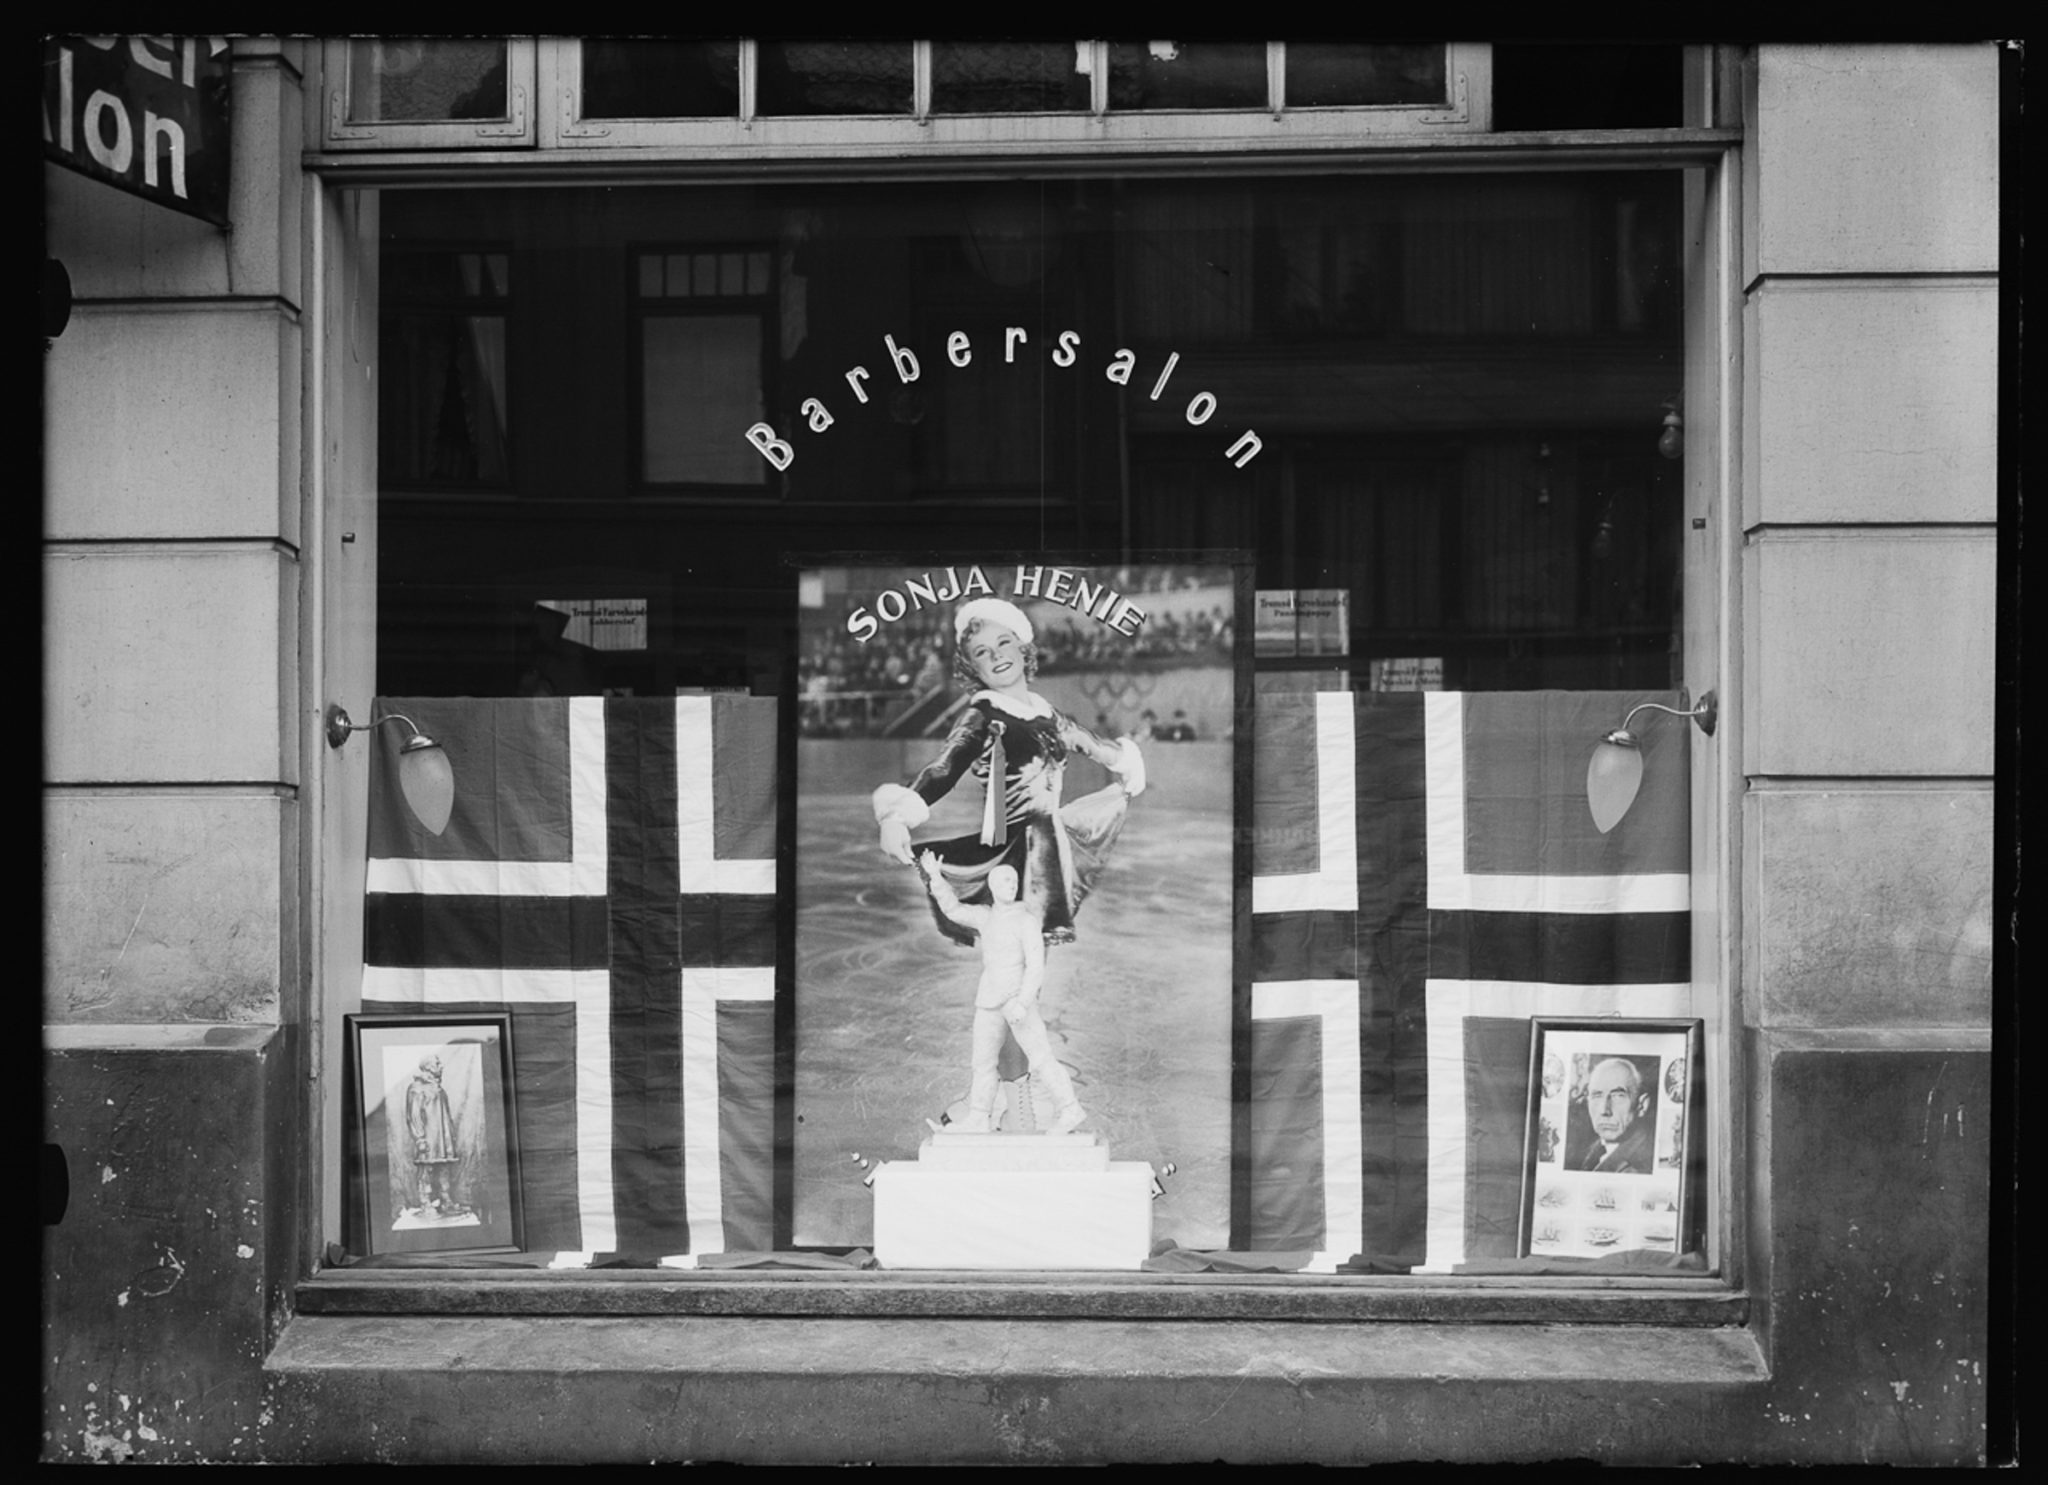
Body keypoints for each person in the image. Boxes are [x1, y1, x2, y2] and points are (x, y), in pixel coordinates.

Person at [873, 596, 1146, 949]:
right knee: (1011, 942)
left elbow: (1090, 743)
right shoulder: (982, 716)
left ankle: (1026, 1004)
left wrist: (1125, 761)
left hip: (1050, 843)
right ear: (972, 668)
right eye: (982, 652)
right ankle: (1007, 1001)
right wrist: (897, 816)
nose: (997, 655)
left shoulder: (1048, 714)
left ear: (1023, 648)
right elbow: (944, 768)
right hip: (1009, 846)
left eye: (1004, 643)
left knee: (1036, 941)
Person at [920, 852, 1086, 1134]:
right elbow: (953, 910)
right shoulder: (986, 917)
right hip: (989, 1001)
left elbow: (1035, 967)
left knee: (1042, 1057)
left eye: (1014, 880)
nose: (1011, 885)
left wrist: (1023, 1003)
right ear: (993, 886)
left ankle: (1071, 1109)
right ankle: (978, 1116)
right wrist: (936, 877)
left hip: (1016, 1002)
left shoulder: (1026, 922)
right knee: (982, 1064)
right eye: (1005, 880)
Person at [1570, 1056, 1656, 1174]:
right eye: (1597, 1095)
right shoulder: (1592, 1151)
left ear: (1642, 1106)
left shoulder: (1640, 1167)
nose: (1605, 1110)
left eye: (1618, 1096)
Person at [403, 1053, 464, 1217]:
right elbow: (413, 1116)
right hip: (429, 1138)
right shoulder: (416, 1088)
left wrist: (450, 1135)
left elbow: (446, 1115)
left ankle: (446, 1200)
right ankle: (426, 1202)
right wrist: (419, 1138)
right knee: (426, 1171)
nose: (441, 1066)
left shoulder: (439, 1089)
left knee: (444, 1168)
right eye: (438, 1063)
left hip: (444, 1139)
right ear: (428, 1066)